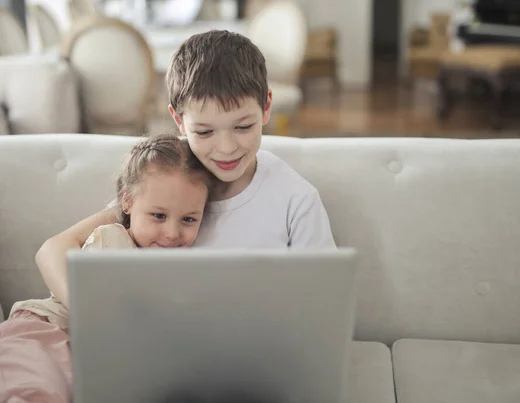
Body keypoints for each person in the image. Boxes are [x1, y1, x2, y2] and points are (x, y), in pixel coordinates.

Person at [37, 30, 336, 312]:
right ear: (178, 120)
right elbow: (53, 249)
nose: (227, 147)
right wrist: (90, 315)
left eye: (243, 126)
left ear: (266, 107)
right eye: (204, 132)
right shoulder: (167, 173)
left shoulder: (296, 199)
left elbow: (324, 301)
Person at [0, 134, 216, 403]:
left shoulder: (188, 271)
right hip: (43, 332)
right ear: (128, 202)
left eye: (189, 219)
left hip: (91, 355)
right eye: (158, 216)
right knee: (29, 390)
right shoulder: (112, 239)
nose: (171, 233)